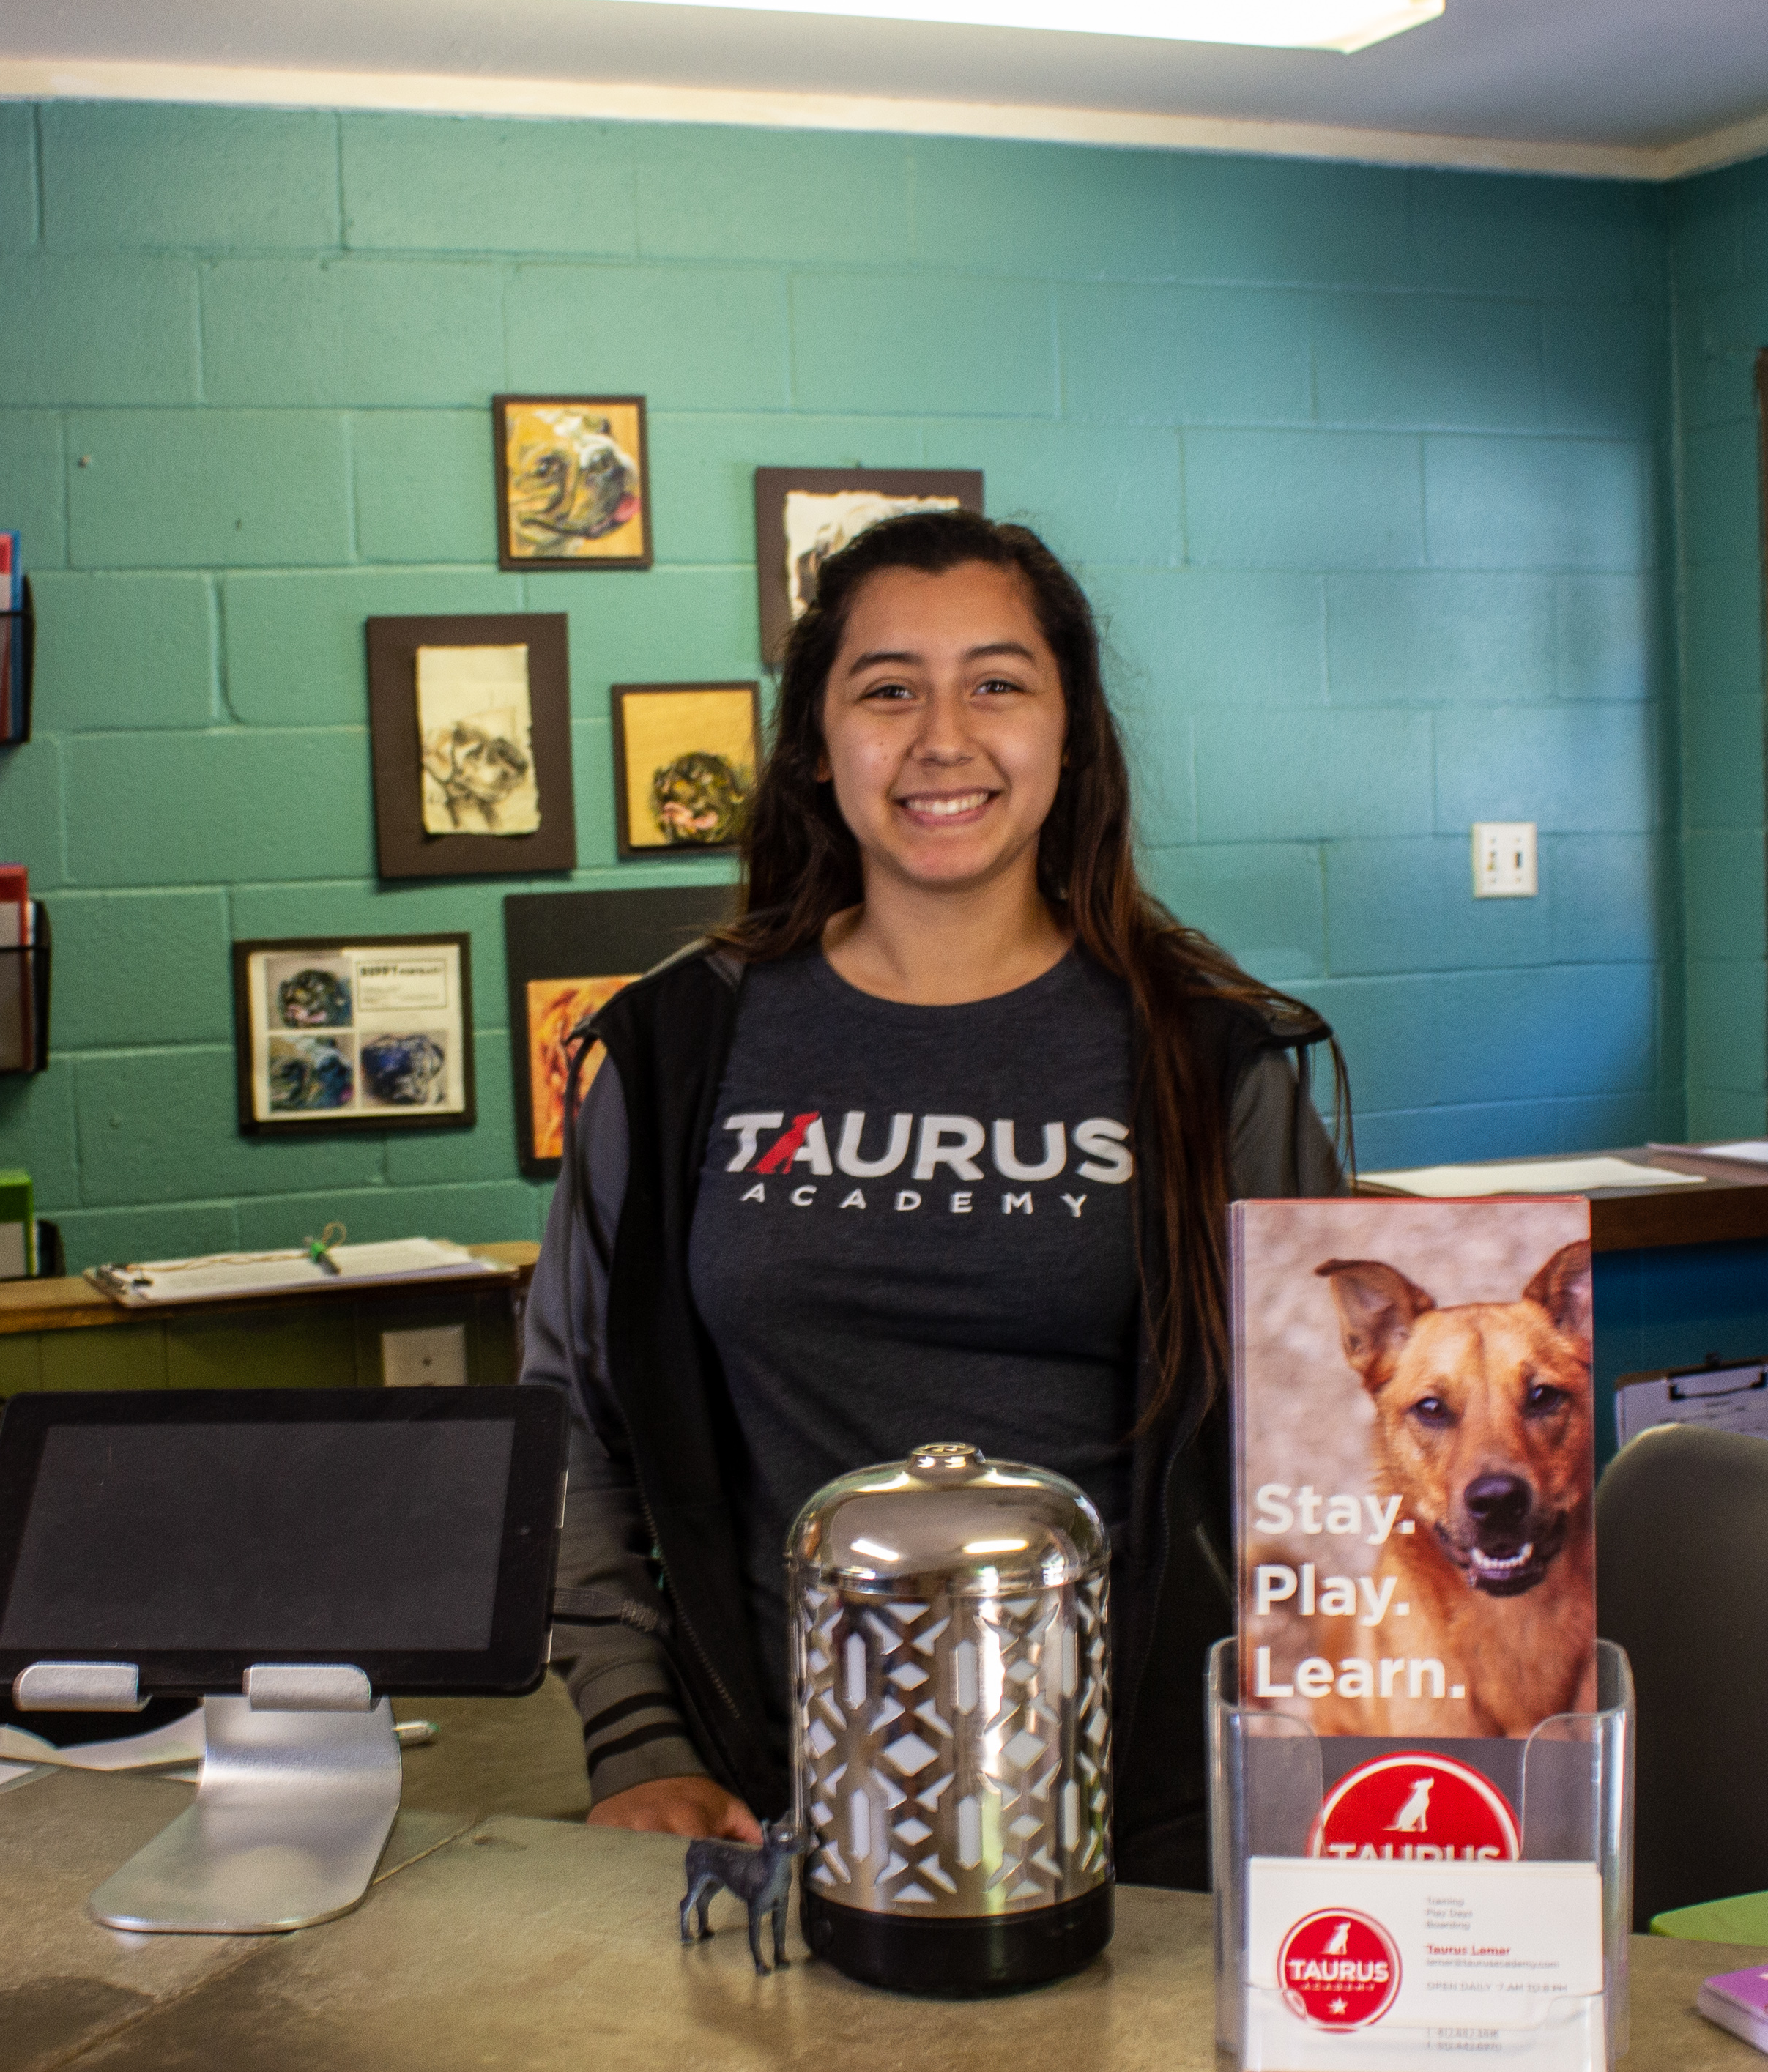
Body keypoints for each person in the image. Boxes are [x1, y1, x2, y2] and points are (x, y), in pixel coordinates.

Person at [522, 508, 1343, 1890]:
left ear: (1071, 734)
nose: (943, 738)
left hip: (1153, 1829)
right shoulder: (676, 1053)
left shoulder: (1212, 1066)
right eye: (889, 689)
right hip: (768, 1812)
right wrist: (636, 1738)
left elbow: (1340, 1472)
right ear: (817, 742)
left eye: (997, 684)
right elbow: (570, 1424)